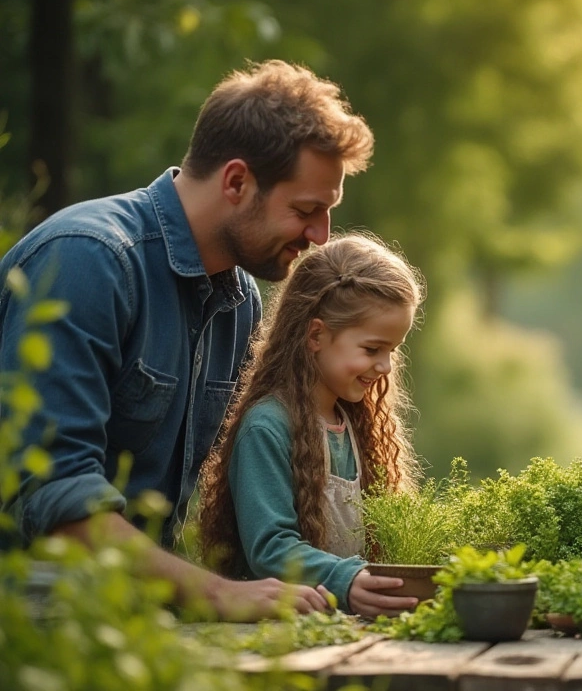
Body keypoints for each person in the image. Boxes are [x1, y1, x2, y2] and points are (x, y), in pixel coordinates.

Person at [0, 59, 375, 620]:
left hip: (138, 612)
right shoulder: (91, 261)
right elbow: (54, 496)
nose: (321, 237)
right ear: (236, 182)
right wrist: (218, 593)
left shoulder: (239, 304)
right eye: (305, 210)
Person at [197, 233, 423, 618]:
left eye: (392, 350)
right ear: (316, 335)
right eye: (372, 349)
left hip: (342, 627)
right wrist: (347, 581)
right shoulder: (267, 427)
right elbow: (271, 548)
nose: (385, 367)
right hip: (277, 632)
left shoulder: (355, 425)